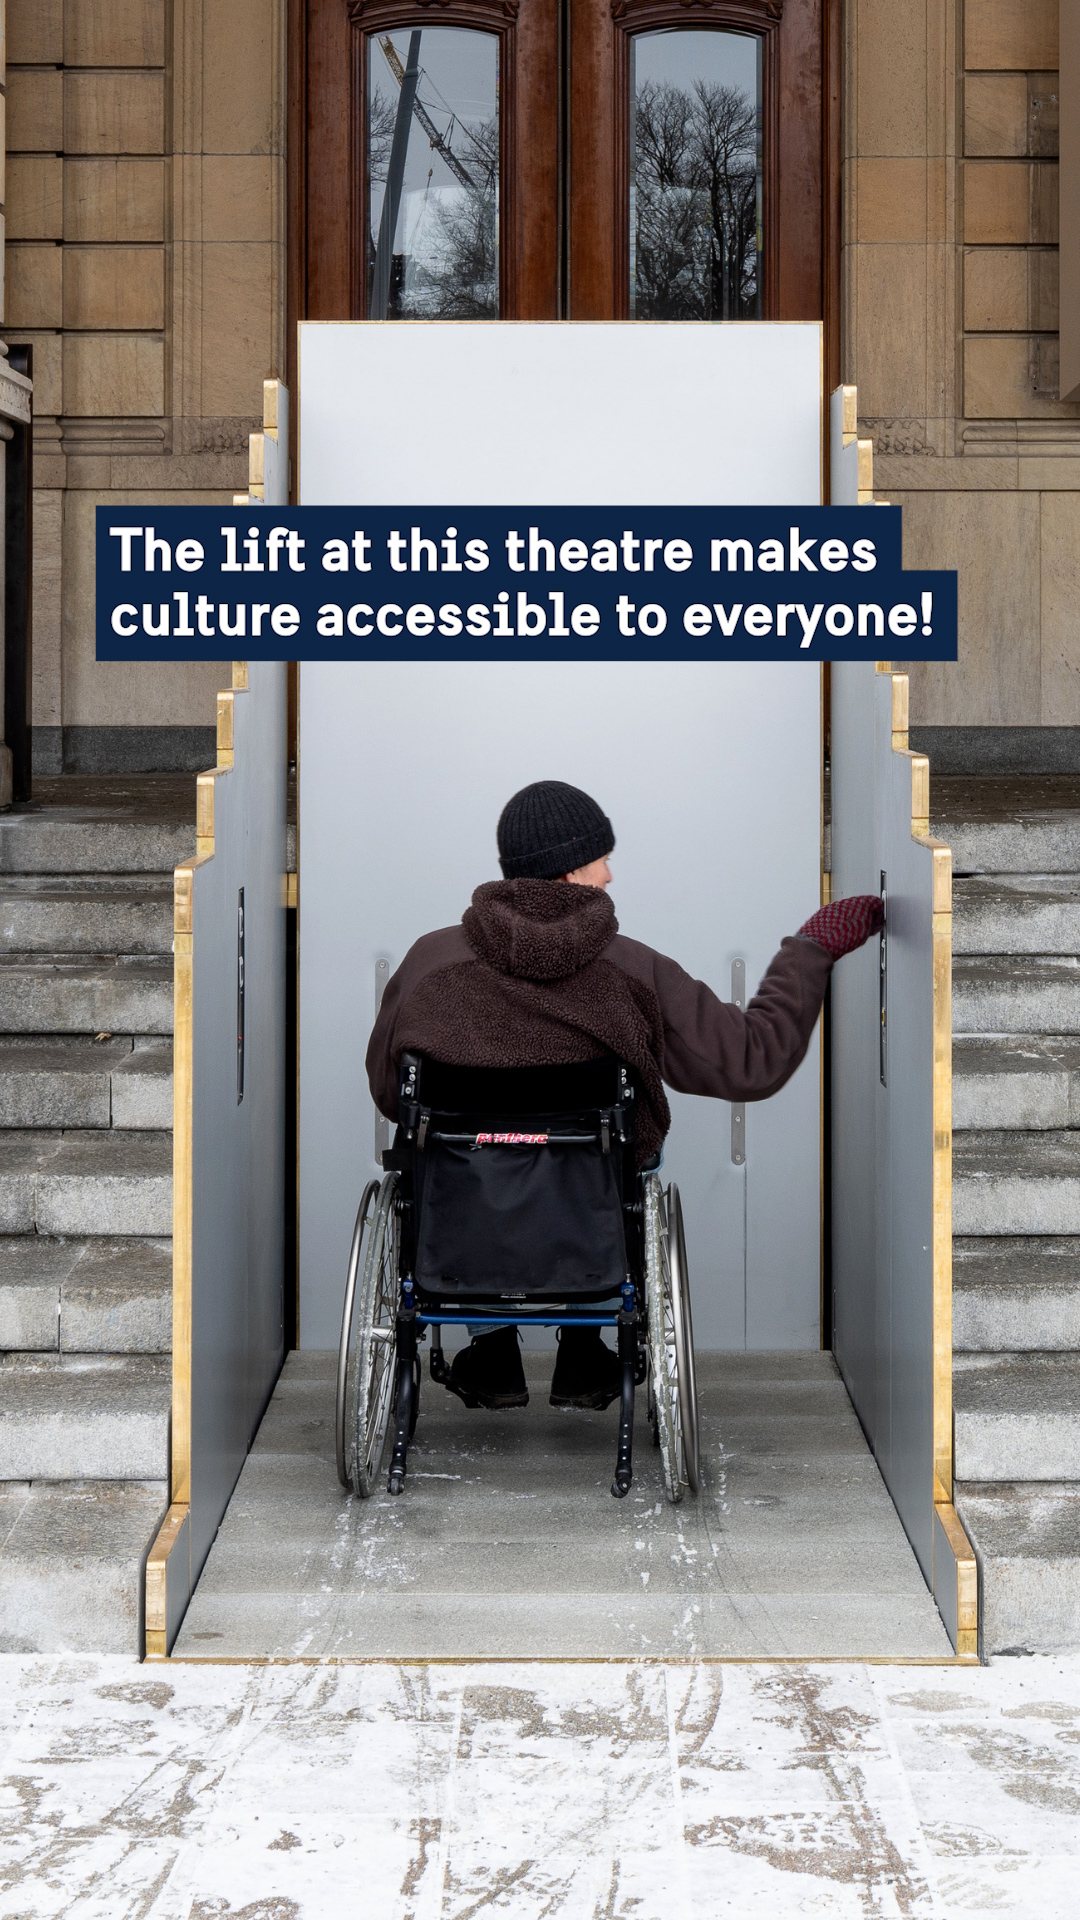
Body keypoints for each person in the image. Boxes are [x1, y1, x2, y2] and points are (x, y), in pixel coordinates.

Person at [366, 780, 883, 1414]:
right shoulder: (631, 970)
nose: (610, 875)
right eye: (600, 859)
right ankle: (587, 1348)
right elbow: (751, 1062)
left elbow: (392, 1094)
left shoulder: (429, 964)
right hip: (590, 1191)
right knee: (623, 1152)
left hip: (459, 1198)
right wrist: (812, 948)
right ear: (571, 869)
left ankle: (491, 1343)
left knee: (447, 1150)